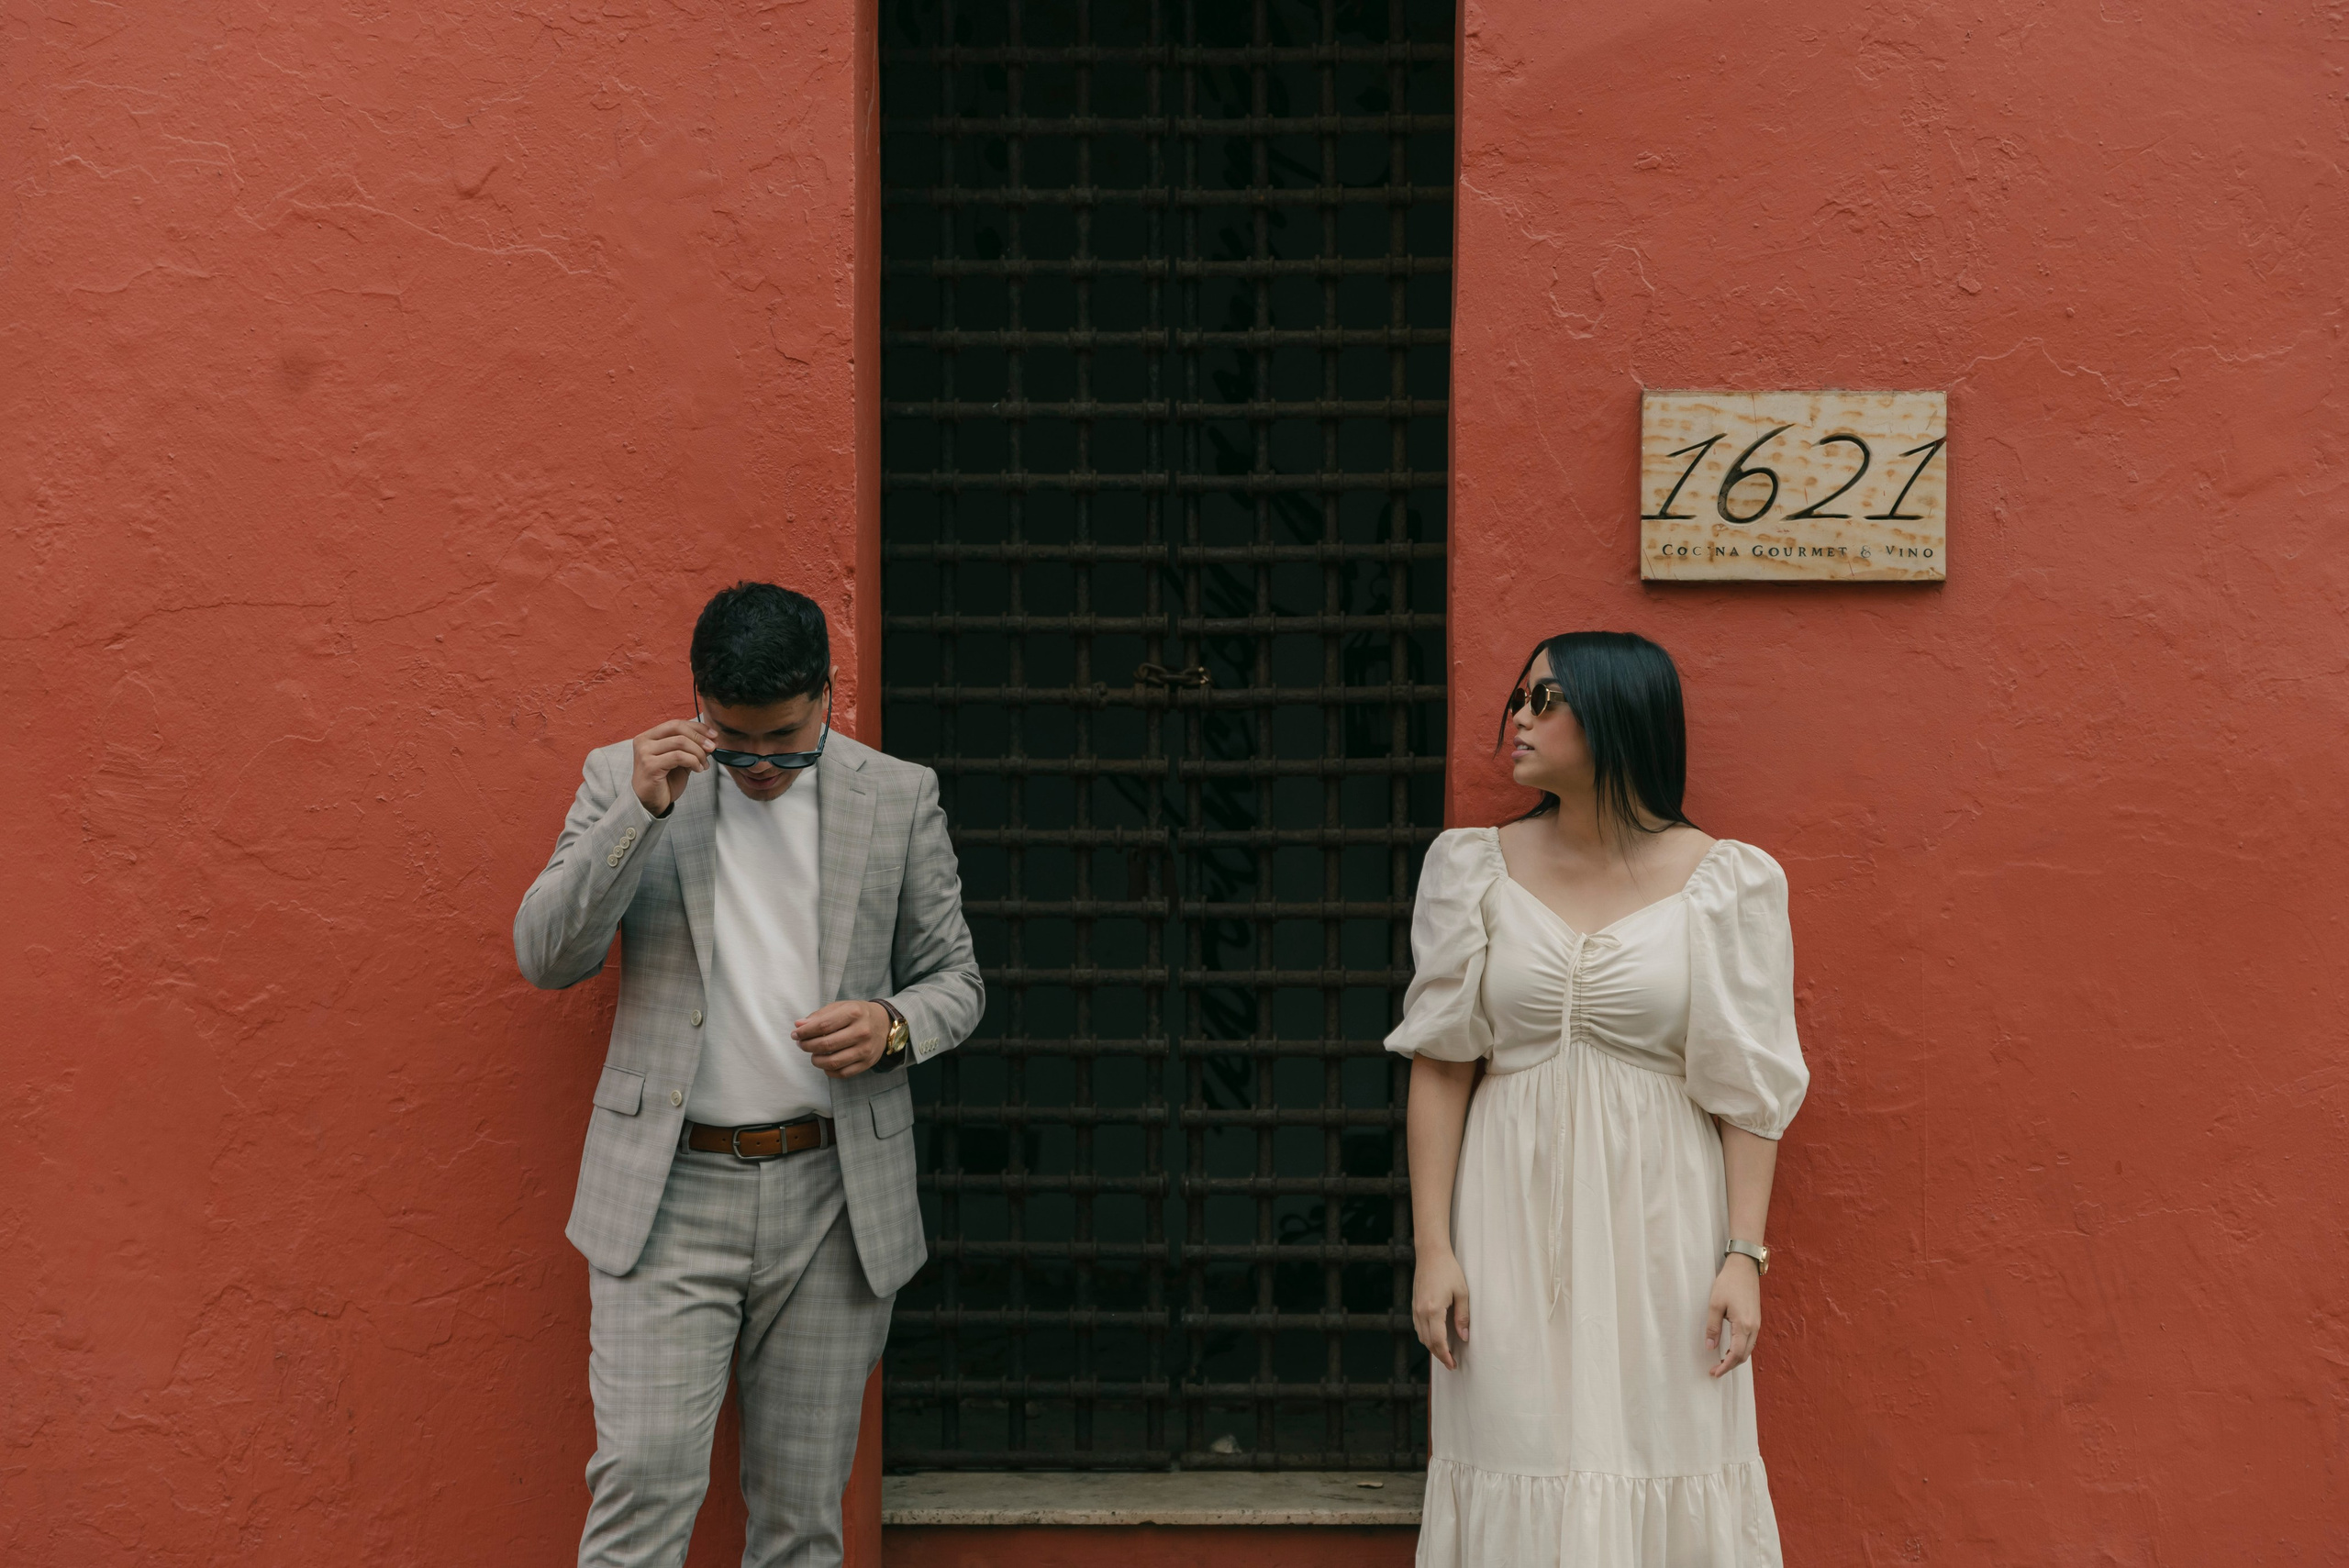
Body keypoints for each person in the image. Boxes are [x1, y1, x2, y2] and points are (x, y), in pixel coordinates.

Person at [514, 581, 984, 1568]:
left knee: (802, 1516)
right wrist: (637, 814)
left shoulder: (896, 795)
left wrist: (894, 1025)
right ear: (697, 702)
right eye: (734, 740)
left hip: (834, 1197)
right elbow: (546, 955)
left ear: (825, 693)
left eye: (785, 739)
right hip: (668, 1192)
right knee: (640, 1486)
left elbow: (957, 980)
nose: (761, 764)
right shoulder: (624, 777)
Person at [1391, 630, 1809, 1566]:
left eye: (1546, 700)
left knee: (1665, 1444)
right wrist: (1434, 1248)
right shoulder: (1472, 868)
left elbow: (1749, 1088)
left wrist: (1743, 1254)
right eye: (1518, 698)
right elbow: (1441, 1060)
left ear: (1617, 714)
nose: (1518, 720)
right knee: (1515, 1442)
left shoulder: (1725, 881)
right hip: (1506, 1215)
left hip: (1662, 1216)